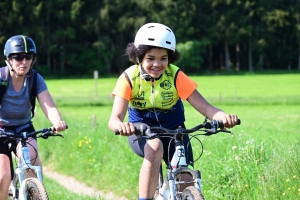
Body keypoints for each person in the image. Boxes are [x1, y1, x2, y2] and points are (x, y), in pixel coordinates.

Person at [108, 23, 239, 200]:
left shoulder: (176, 76)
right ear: (138, 57)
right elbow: (114, 118)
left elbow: (206, 107)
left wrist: (223, 117)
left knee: (186, 179)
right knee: (154, 147)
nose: (157, 64)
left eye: (163, 58)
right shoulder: (129, 78)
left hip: (175, 130)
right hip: (141, 130)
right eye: (150, 58)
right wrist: (122, 126)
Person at [0, 35, 67, 199]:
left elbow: (48, 105)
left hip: (24, 129)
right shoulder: (1, 78)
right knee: (3, 176)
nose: (23, 61)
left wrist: (57, 121)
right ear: (8, 59)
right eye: (18, 57)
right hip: (1, 131)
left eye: (28, 57)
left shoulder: (35, 79)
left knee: (31, 163)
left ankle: (34, 193)